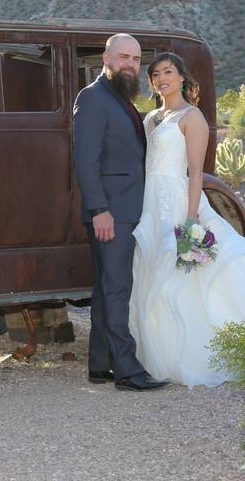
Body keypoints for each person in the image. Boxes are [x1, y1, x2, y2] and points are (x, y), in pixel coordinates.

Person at [129, 52, 245, 387]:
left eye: (168, 71)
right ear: (151, 82)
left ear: (182, 78)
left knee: (185, 277)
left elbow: (195, 174)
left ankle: (197, 353)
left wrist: (191, 220)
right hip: (151, 204)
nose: (162, 78)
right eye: (155, 74)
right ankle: (156, 352)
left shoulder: (192, 118)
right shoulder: (151, 119)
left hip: (180, 204)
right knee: (149, 273)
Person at [73, 33, 169, 391]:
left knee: (105, 290)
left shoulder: (121, 98)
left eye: (135, 59)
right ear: (107, 58)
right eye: (124, 57)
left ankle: (100, 364)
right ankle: (128, 371)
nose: (130, 64)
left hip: (126, 208)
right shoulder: (93, 97)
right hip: (111, 212)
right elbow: (85, 161)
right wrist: (99, 209)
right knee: (117, 290)